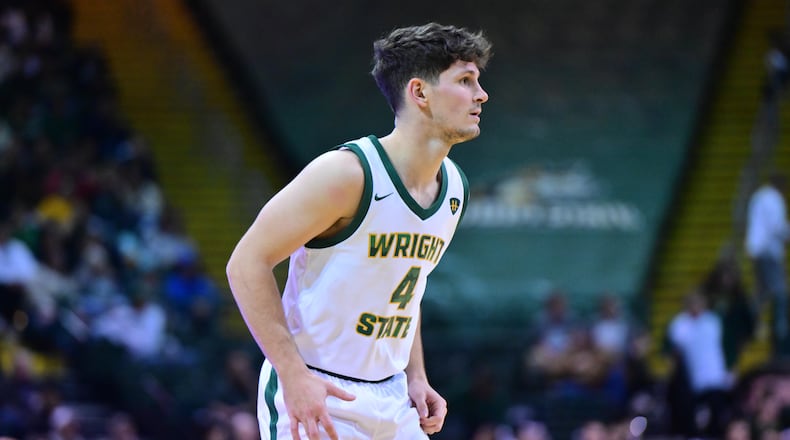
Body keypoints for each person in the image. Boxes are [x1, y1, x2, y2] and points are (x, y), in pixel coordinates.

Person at [226, 22, 491, 440]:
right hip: (321, 389)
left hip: (392, 395)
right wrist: (292, 375)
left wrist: (416, 374)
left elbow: (406, 285)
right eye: (465, 80)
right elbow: (245, 264)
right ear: (420, 93)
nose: (481, 94)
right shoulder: (347, 174)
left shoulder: (454, 187)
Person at [745, 173, 790, 354]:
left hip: (757, 249)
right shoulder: (774, 199)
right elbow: (776, 227)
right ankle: (780, 327)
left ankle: (750, 323)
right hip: (767, 251)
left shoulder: (759, 196)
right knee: (779, 291)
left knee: (763, 291)